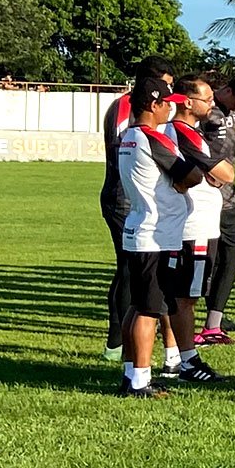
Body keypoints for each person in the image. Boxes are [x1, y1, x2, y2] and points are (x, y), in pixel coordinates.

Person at [113, 77, 205, 397]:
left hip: (138, 228)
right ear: (154, 105)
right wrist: (183, 179)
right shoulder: (154, 138)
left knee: (138, 306)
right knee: (150, 310)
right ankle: (140, 380)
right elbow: (191, 175)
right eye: (168, 103)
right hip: (157, 235)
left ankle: (130, 372)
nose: (172, 108)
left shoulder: (127, 136)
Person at [163, 75, 235, 383]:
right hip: (195, 227)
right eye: (206, 99)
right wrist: (213, 174)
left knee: (179, 295)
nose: (212, 104)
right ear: (188, 102)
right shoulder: (183, 132)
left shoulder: (186, 131)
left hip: (195, 223)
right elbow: (226, 173)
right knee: (185, 298)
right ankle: (187, 361)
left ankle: (174, 358)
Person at [101, 56, 173, 360]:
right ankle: (117, 342)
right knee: (130, 271)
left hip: (134, 196)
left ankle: (126, 341)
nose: (169, 94)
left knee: (132, 271)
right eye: (167, 85)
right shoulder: (125, 107)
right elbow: (123, 147)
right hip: (123, 196)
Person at [194, 71, 235, 344]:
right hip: (210, 199)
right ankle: (191, 322)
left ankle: (214, 320)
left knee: (229, 257)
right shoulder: (210, 116)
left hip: (228, 198)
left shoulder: (222, 112)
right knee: (209, 261)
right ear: (229, 91)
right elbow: (202, 154)